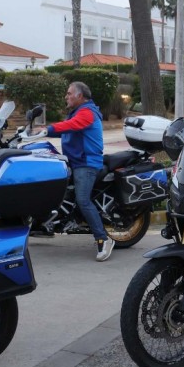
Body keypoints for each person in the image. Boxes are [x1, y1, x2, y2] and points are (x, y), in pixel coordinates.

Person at [38, 82, 114, 262]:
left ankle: (103, 239)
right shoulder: (77, 112)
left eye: (69, 93)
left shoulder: (87, 112)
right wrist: (40, 132)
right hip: (75, 162)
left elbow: (71, 125)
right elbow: (66, 128)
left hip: (86, 164)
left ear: (80, 96)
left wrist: (48, 129)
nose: (66, 96)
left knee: (83, 200)